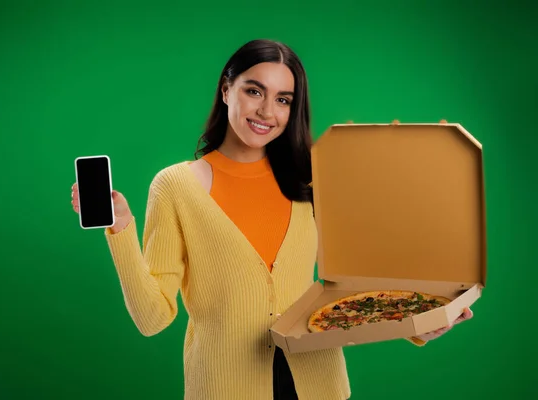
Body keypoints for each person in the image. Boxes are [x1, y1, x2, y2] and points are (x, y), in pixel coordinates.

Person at [70, 39, 473, 400]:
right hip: (223, 387)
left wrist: (417, 324)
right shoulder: (174, 187)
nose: (267, 111)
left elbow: (352, 285)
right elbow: (152, 318)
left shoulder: (313, 179)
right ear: (226, 89)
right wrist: (120, 229)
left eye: (283, 99)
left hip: (319, 384)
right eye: (253, 91)